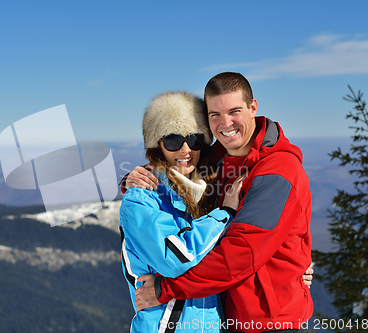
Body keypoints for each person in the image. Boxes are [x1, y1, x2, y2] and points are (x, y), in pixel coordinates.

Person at [132, 72, 313, 333]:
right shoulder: (216, 158)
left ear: (253, 108)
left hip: (269, 321)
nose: (225, 123)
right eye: (214, 114)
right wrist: (137, 179)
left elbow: (241, 254)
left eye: (234, 111)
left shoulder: (278, 171)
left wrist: (164, 290)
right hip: (224, 317)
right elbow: (175, 172)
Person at [120, 91, 245, 333]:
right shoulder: (142, 198)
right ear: (157, 145)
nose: (186, 150)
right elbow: (175, 260)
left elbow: (242, 247)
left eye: (195, 139)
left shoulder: (209, 191)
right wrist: (225, 214)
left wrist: (290, 269)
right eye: (173, 140)